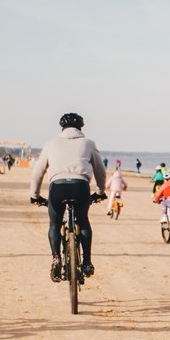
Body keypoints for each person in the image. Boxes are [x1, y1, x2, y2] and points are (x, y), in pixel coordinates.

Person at [29, 113, 107, 281]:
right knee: (83, 220)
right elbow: (100, 171)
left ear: (62, 128)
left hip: (57, 187)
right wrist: (100, 191)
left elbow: (38, 171)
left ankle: (56, 257)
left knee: (55, 224)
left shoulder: (51, 144)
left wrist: (34, 195)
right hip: (81, 186)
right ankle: (86, 262)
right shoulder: (88, 143)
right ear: (80, 127)